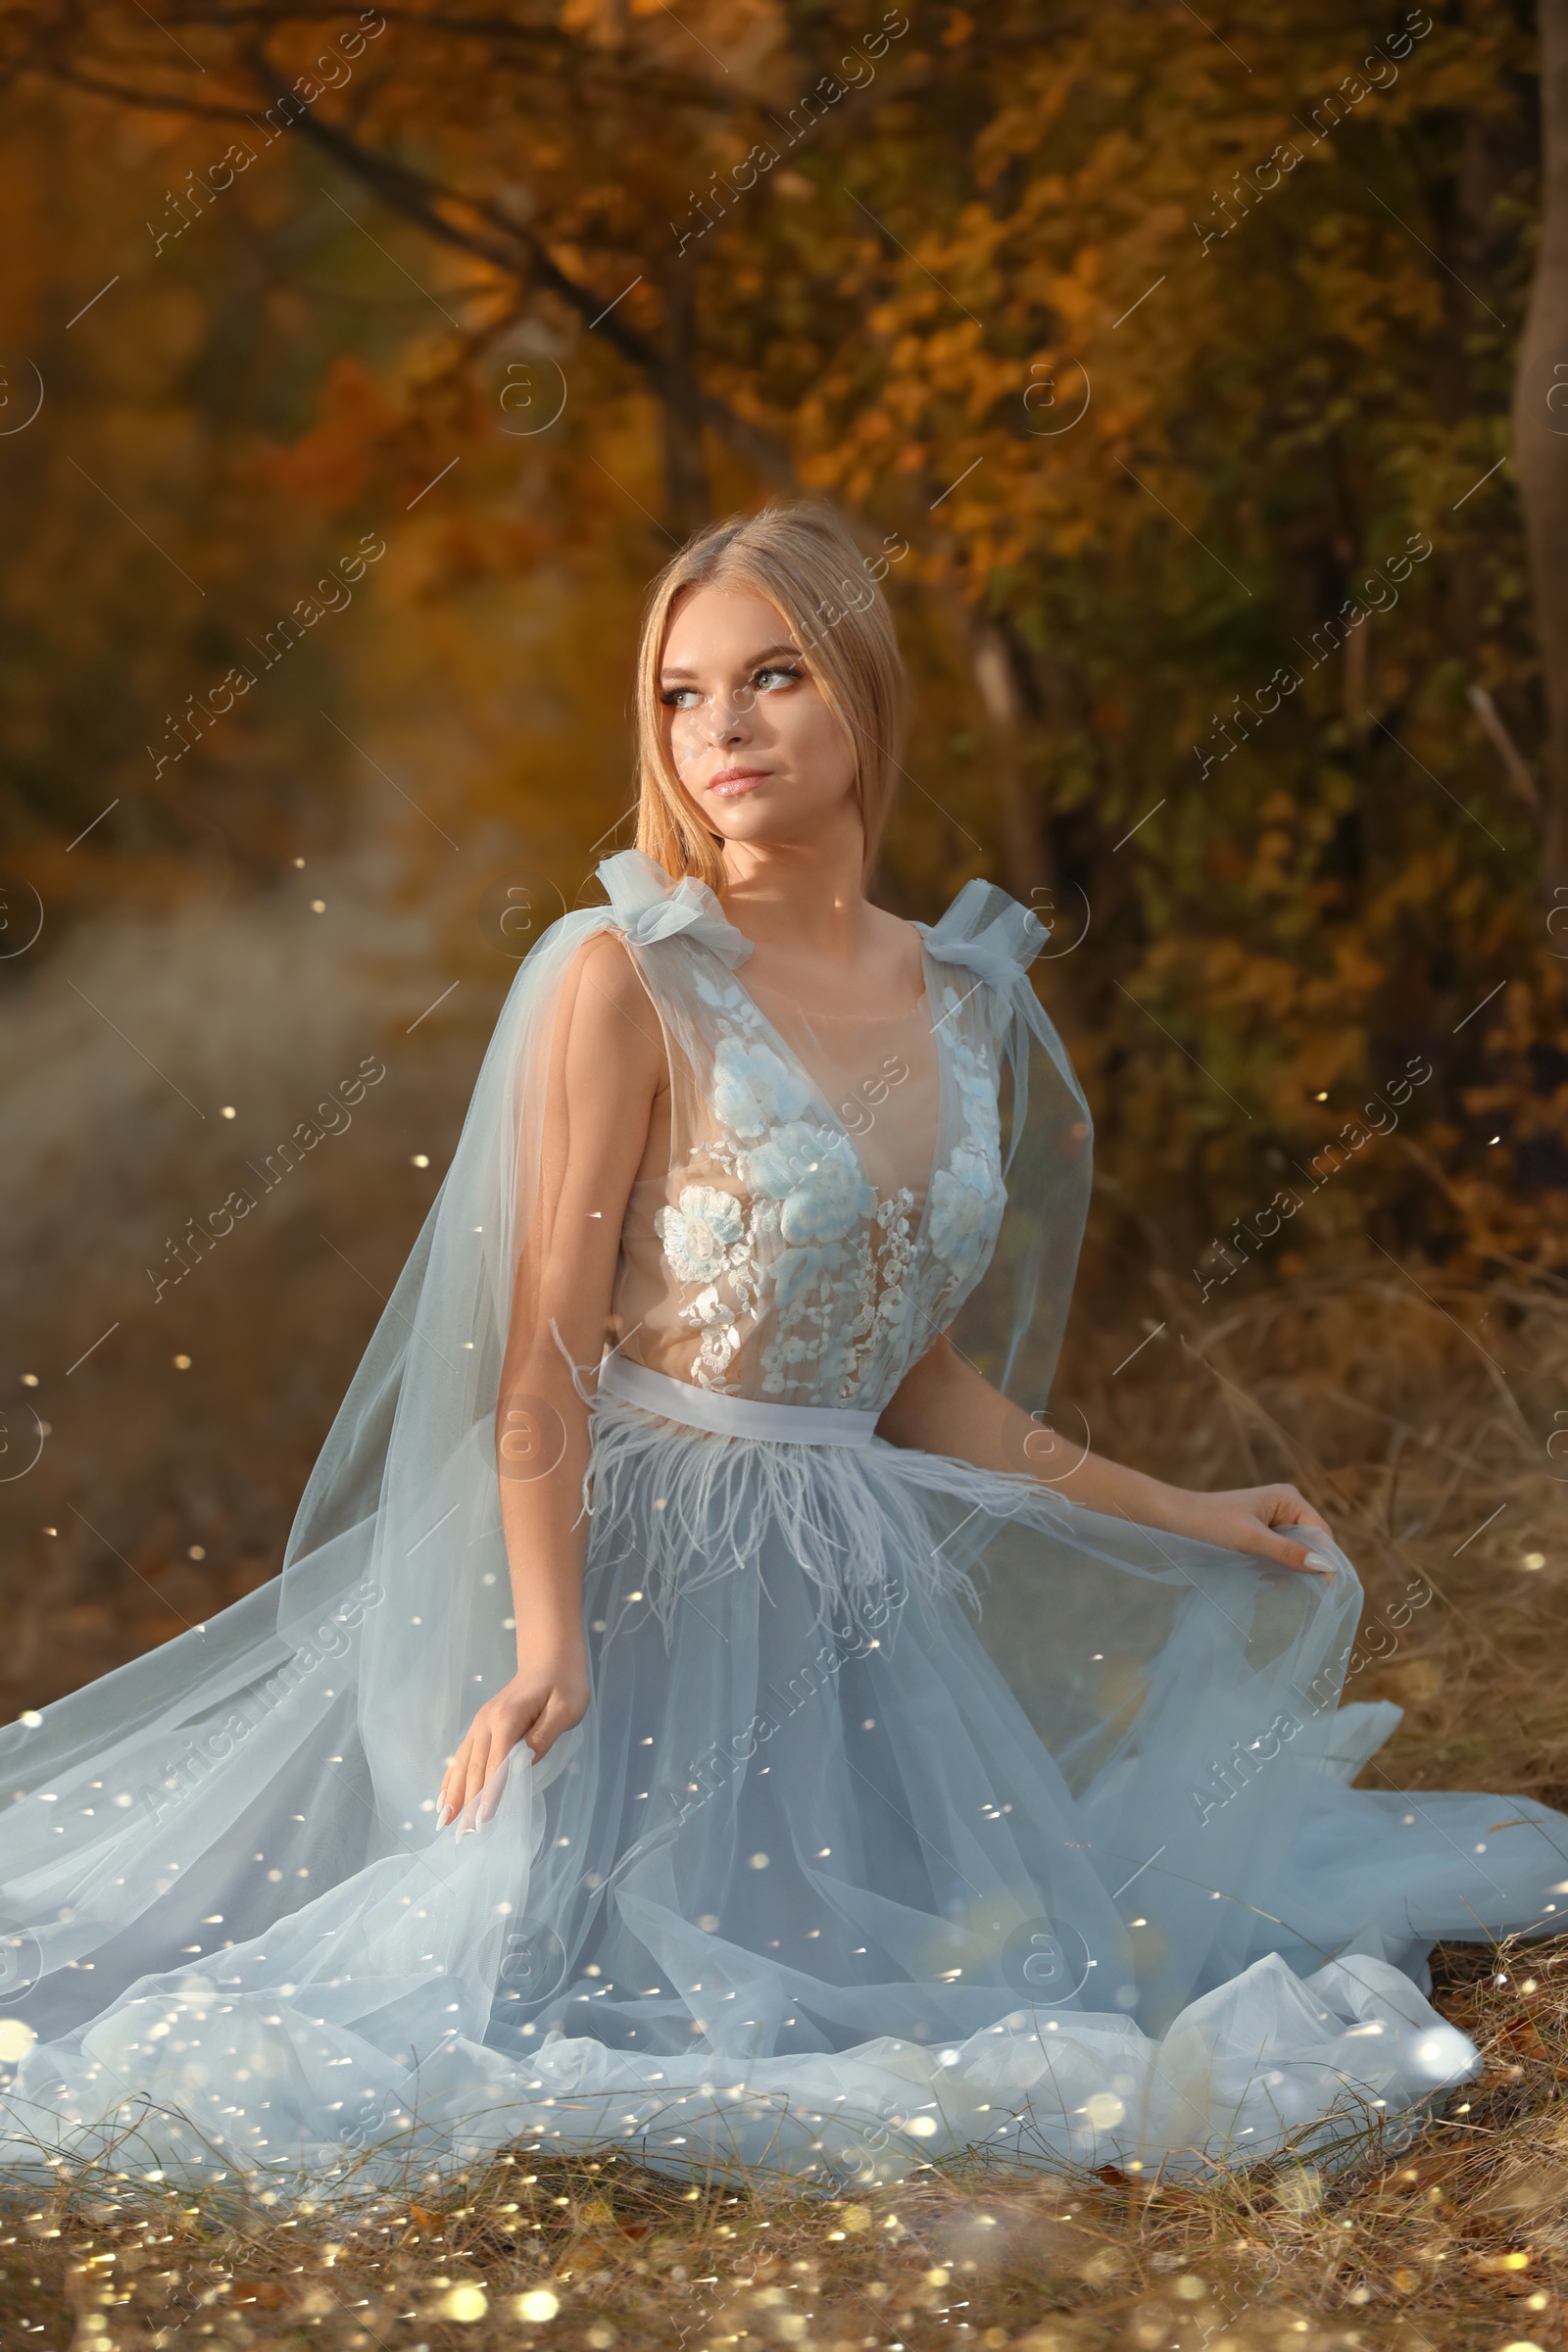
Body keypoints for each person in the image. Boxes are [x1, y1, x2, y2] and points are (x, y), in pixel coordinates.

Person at [0, 503, 1561, 2195]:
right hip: (644, 1576)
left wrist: (1185, 1509)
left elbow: (912, 1385)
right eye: (681, 694)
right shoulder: (629, 979)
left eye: (773, 676)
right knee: (557, 2004)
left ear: (866, 700)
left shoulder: (966, 998)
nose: (722, 728)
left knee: (987, 1989)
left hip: (856, 1584)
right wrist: (544, 1647)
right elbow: (542, 1363)